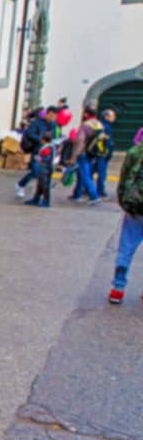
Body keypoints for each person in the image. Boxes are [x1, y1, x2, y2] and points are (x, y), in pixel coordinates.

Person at [108, 129, 143, 304]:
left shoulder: (134, 152)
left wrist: (124, 202)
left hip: (135, 207)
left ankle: (118, 288)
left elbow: (124, 179)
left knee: (126, 248)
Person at [17, 106, 57, 198]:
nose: (52, 118)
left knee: (44, 171)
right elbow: (30, 134)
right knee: (35, 171)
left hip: (47, 150)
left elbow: (53, 135)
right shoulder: (37, 123)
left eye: (54, 116)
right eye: (51, 115)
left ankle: (39, 193)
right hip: (37, 150)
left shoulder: (53, 125)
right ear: (47, 114)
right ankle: (21, 185)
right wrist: (41, 139)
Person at [69, 106, 104, 205]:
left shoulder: (85, 125)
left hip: (83, 152)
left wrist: (74, 156)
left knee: (85, 175)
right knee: (84, 173)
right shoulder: (99, 124)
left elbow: (80, 141)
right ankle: (77, 194)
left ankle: (94, 196)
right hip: (93, 153)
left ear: (86, 114)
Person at [24, 131, 56, 207]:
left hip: (46, 169)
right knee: (40, 185)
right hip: (44, 168)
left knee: (45, 186)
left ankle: (46, 201)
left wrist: (38, 158)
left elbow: (46, 159)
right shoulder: (48, 147)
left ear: (43, 140)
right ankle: (36, 199)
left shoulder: (48, 148)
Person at [95, 109, 117, 198]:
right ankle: (100, 190)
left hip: (99, 153)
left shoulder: (101, 125)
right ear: (106, 116)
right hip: (102, 153)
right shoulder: (106, 127)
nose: (114, 118)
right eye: (112, 116)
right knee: (101, 173)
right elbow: (107, 142)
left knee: (93, 171)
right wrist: (108, 153)